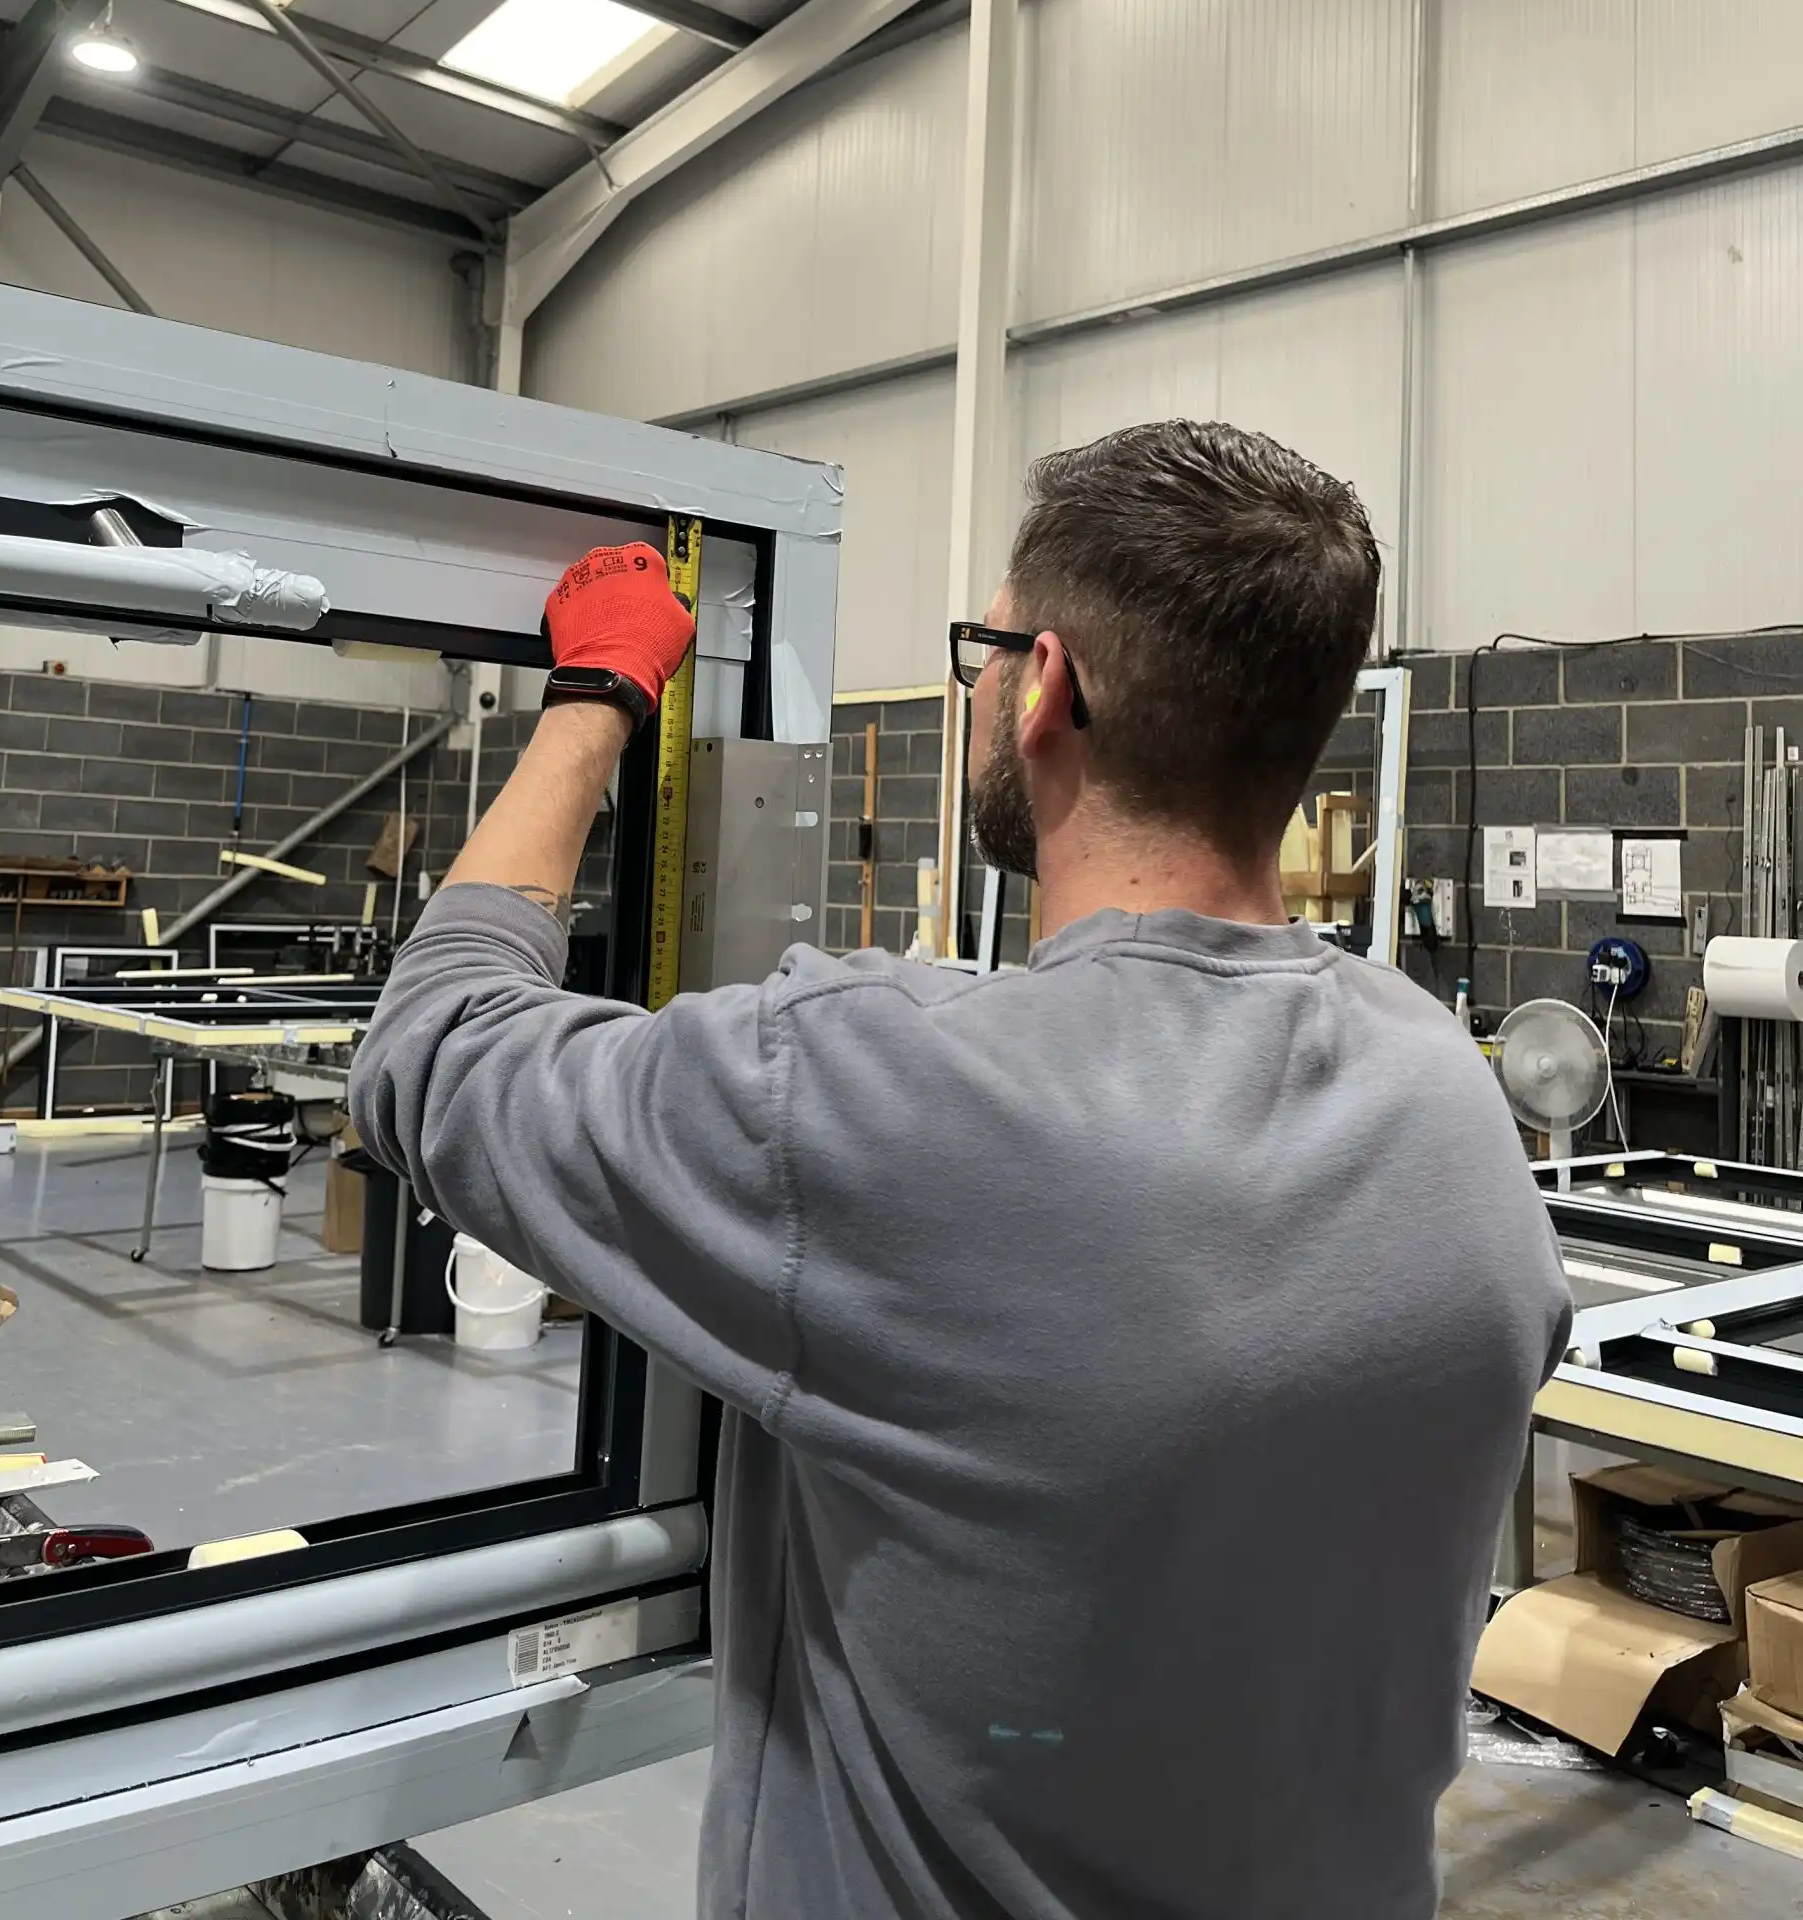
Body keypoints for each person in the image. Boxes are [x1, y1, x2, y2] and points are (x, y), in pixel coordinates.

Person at [349, 419, 1570, 1920]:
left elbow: (434, 1046)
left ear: (1044, 682)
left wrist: (596, 695)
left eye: (985, 646)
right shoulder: (1451, 1096)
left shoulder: (886, 1093)